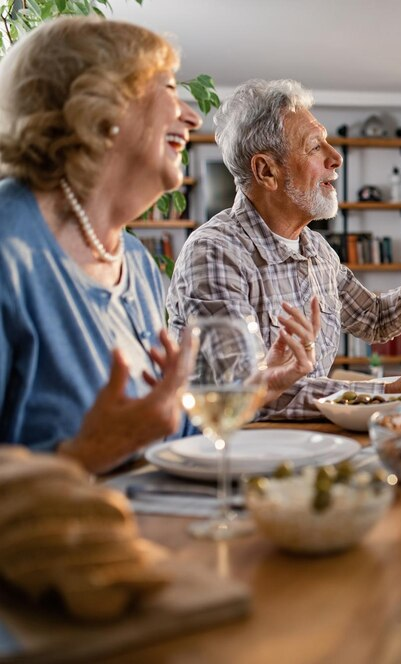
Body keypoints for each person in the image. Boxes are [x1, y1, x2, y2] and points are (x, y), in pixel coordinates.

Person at [0, 18, 317, 474]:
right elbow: (111, 445)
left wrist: (260, 386)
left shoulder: (133, 261)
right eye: (168, 89)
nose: (191, 116)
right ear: (100, 104)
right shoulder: (9, 252)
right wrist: (82, 455)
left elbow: (169, 431)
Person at [166, 79, 401, 420]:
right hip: (238, 451)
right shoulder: (215, 253)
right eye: (314, 147)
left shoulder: (318, 250)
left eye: (328, 144)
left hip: (313, 442)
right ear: (266, 171)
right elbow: (242, 388)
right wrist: (390, 392)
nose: (336, 158)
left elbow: (375, 320)